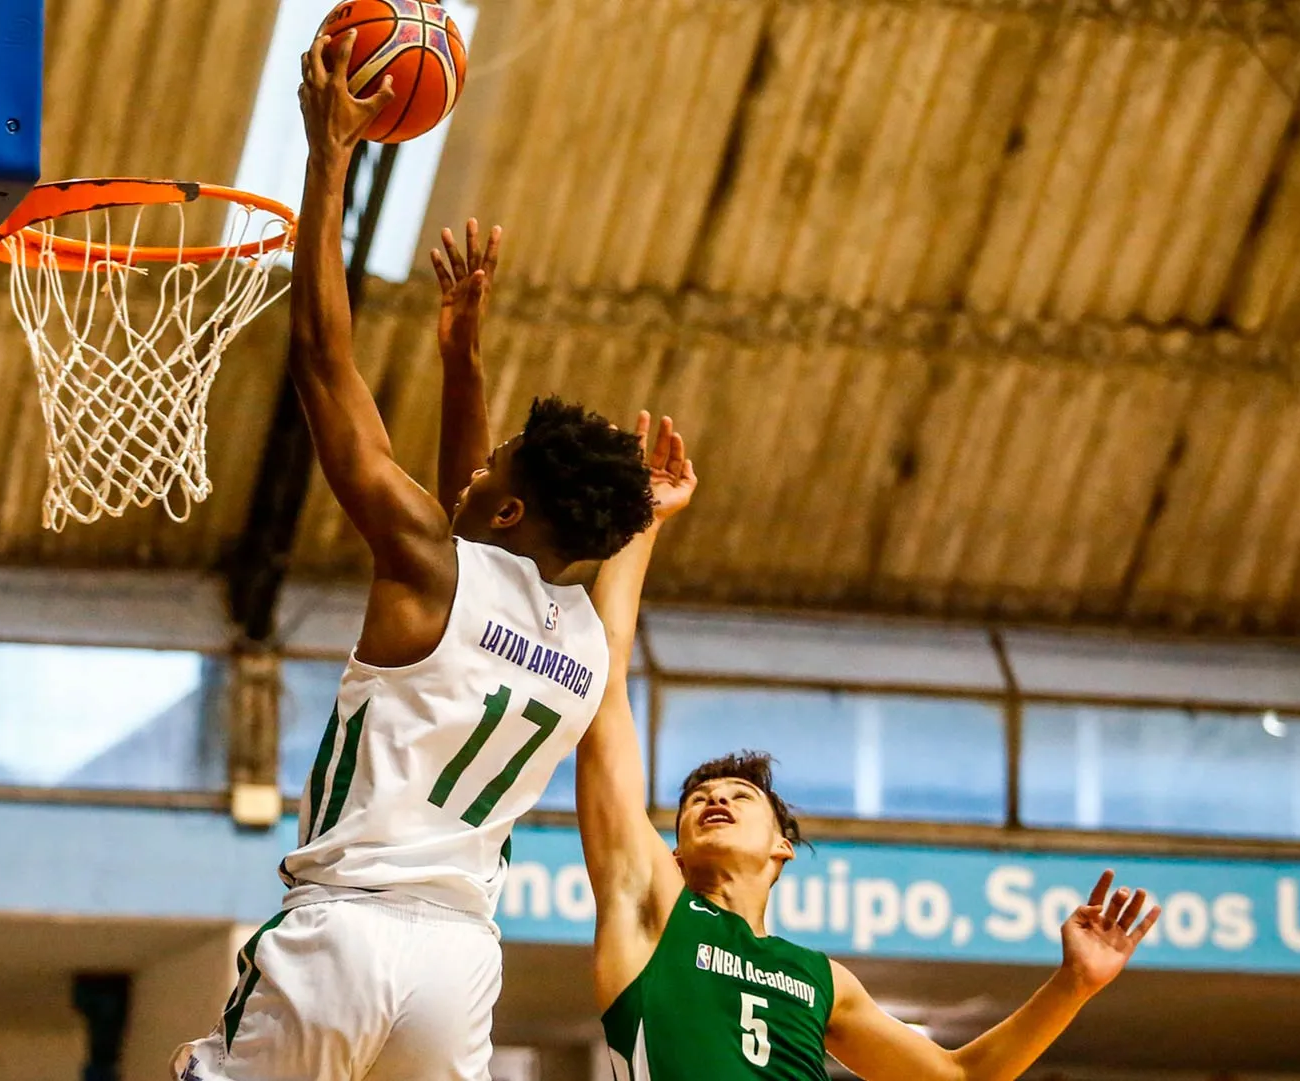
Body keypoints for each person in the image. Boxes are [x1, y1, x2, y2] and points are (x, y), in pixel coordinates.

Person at [176, 31, 656, 1081]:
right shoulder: (583, 644)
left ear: (513, 499)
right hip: (458, 964)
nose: (471, 471)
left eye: (494, 467)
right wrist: (460, 355)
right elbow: (480, 519)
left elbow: (320, 362)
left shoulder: (428, 565)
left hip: (344, 930)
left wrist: (328, 157)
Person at [580, 426, 1162, 1079]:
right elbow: (602, 690)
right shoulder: (651, 900)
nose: (715, 797)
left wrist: (1072, 984)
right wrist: (643, 522)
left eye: (741, 796)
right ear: (676, 850)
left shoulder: (823, 980)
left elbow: (962, 1077)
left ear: (782, 848)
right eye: (696, 800)